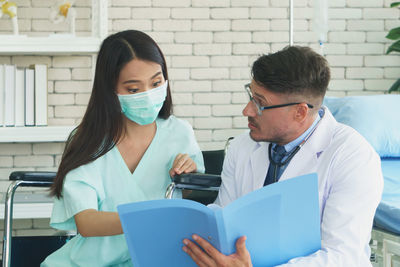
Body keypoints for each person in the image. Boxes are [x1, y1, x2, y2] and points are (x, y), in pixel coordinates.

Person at [182, 46, 383, 266]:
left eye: (260, 103)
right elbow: (224, 221)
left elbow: (342, 256)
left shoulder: (353, 157)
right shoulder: (242, 147)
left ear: (300, 112)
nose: (247, 110)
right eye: (251, 96)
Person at [41, 30, 204, 267]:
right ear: (110, 90)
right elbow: (87, 222)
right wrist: (153, 219)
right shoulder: (88, 140)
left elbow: (187, 200)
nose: (149, 96)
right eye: (134, 90)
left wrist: (187, 179)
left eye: (156, 83)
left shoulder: (180, 133)